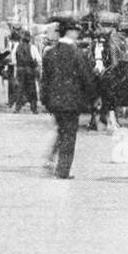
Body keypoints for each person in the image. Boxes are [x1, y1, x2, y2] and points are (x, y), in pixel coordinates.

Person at [40, 22, 95, 179]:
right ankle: (63, 170)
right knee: (69, 134)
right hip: (72, 102)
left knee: (62, 130)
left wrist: (45, 100)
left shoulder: (50, 53)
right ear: (70, 32)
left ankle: (51, 158)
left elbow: (45, 80)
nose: (78, 34)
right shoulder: (77, 54)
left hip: (54, 101)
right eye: (76, 31)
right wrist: (92, 97)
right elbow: (87, 78)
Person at [11, 28, 41, 114]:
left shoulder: (17, 46)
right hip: (29, 70)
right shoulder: (33, 47)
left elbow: (13, 58)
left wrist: (17, 64)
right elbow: (38, 59)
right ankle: (34, 108)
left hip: (20, 70)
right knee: (32, 89)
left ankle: (17, 108)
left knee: (20, 89)